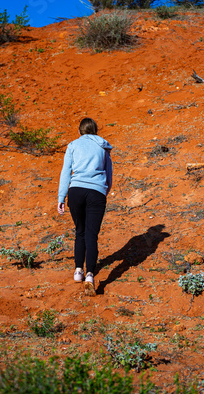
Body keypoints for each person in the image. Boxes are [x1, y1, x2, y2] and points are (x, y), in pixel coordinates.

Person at [57, 118, 113, 296]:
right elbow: (109, 174)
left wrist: (61, 197)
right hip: (96, 192)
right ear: (95, 130)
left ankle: (78, 271)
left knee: (80, 231)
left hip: (76, 191)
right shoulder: (103, 146)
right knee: (91, 234)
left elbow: (66, 171)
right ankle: (90, 275)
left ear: (80, 130)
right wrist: (103, 191)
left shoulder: (73, 145)